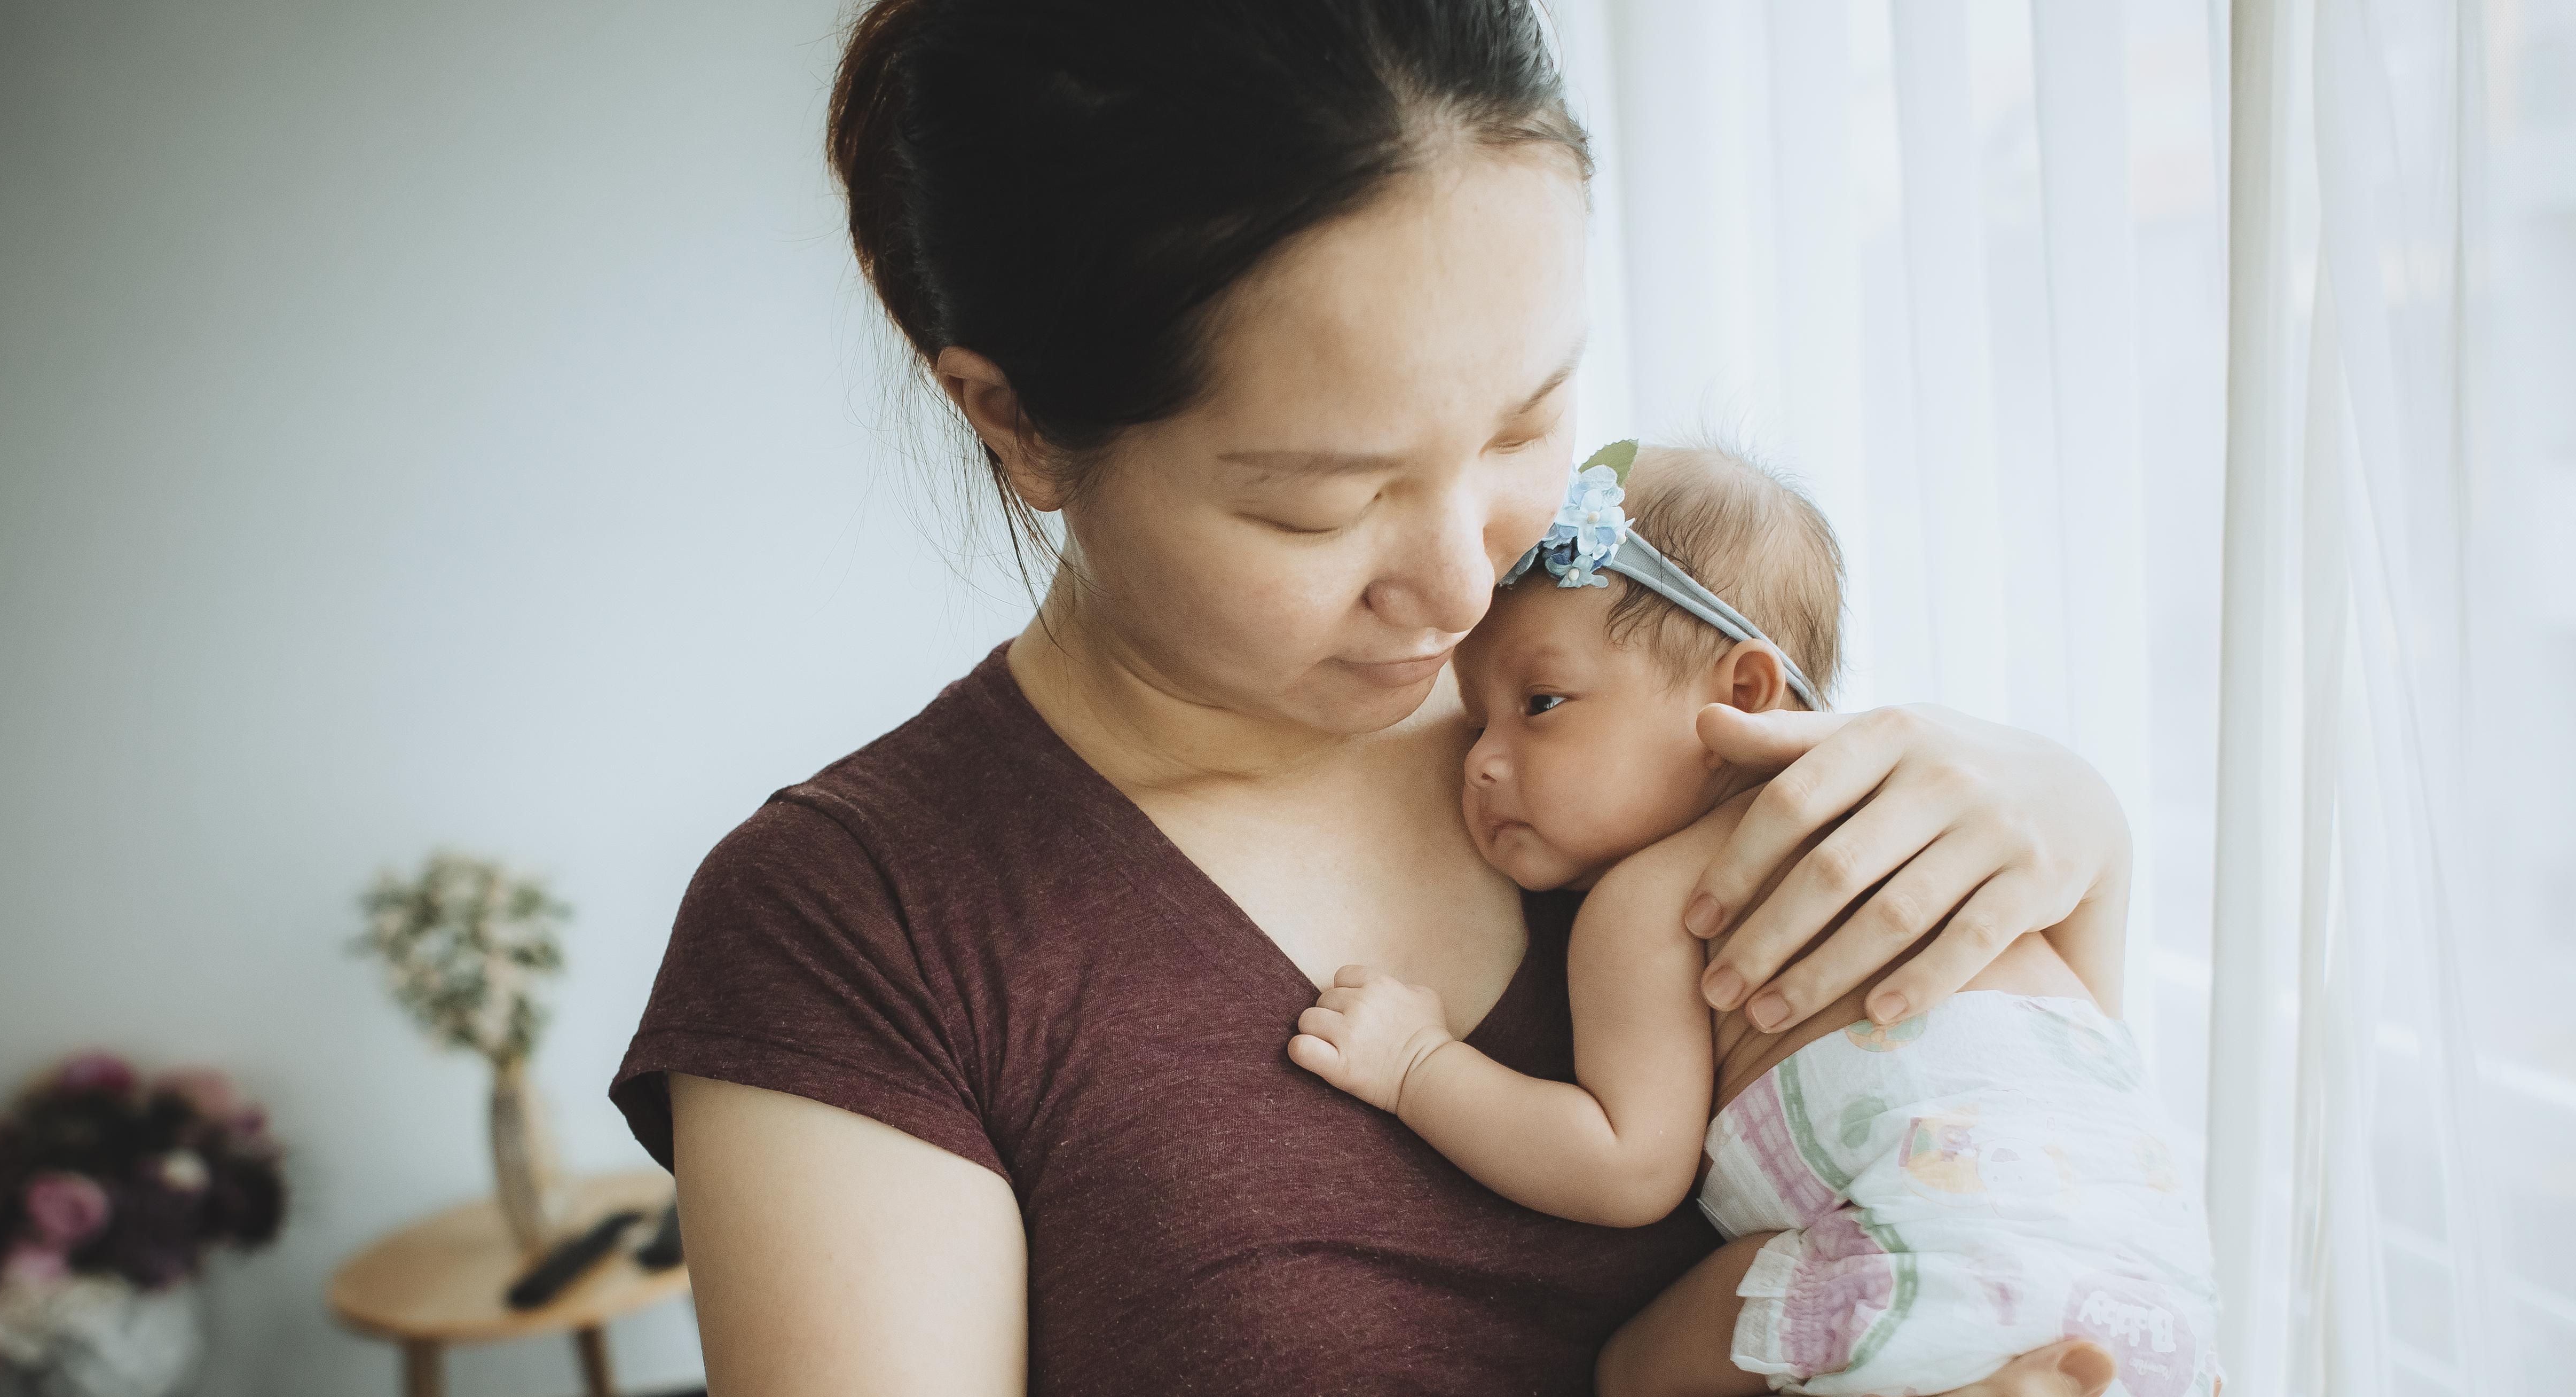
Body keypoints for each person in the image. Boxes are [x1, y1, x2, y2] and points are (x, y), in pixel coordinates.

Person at [612, 3, 2137, 1392]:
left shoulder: (1654, 720)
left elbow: (2006, 1183)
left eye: (1526, 423)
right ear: (1013, 423)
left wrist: (2077, 837)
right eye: (1319, 507)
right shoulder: (856, 933)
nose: (1465, 593)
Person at [1291, 443, 2214, 1396]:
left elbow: (1626, 1166)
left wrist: (1415, 1066)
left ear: (1741, 695)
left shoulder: (1656, 898)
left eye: (1540, 704)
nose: (1480, 760)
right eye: (1475, 719)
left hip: (1925, 1265)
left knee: (1632, 1372)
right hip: (2150, 1279)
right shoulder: (1928, 809)